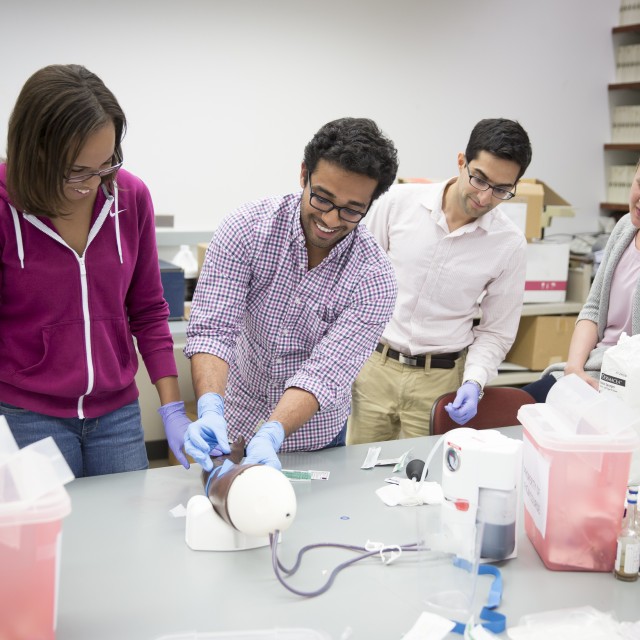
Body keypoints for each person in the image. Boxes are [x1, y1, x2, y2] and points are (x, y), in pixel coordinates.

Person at [0, 64, 192, 477]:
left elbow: (148, 310)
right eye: (76, 171)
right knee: (50, 540)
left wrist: (173, 409)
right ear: (35, 151)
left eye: (106, 163)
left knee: (124, 536)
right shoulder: (3, 208)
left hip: (116, 415)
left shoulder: (130, 196)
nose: (93, 183)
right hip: (26, 415)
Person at [183, 117, 399, 472]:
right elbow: (214, 330)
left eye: (351, 210)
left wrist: (273, 433)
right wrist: (209, 408)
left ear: (370, 203)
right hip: (232, 424)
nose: (330, 219)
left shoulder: (373, 278)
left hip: (313, 440)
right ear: (304, 175)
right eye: (322, 198)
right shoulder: (247, 229)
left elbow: (324, 373)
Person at [347, 118, 533, 443]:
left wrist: (474, 382)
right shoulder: (397, 203)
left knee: (424, 484)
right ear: (462, 162)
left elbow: (496, 331)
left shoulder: (509, 243)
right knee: (357, 473)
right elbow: (355, 280)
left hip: (440, 380)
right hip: (375, 368)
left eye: (502, 189)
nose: (485, 198)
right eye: (480, 179)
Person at [522, 161, 640, 401]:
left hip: (626, 385)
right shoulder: (624, 228)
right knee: (515, 406)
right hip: (589, 370)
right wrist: (573, 369)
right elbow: (594, 308)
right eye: (639, 184)